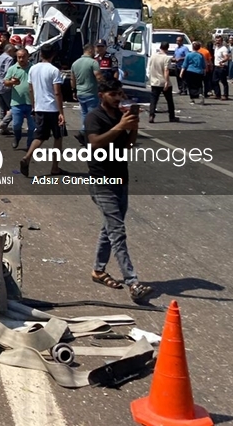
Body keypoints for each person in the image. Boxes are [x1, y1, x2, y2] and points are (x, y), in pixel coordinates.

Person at [85, 79, 151, 303]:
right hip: (102, 180)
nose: (118, 98)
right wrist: (120, 126)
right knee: (117, 231)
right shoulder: (94, 117)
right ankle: (133, 282)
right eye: (113, 94)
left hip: (121, 178)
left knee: (110, 228)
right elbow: (95, 143)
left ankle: (98, 270)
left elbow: (128, 145)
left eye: (120, 94)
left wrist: (133, 126)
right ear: (101, 95)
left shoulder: (119, 116)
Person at [20, 45, 65, 177]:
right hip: (52, 108)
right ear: (53, 55)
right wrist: (61, 112)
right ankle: (55, 167)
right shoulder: (54, 70)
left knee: (40, 136)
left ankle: (27, 156)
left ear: (41, 54)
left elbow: (30, 89)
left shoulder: (33, 69)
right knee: (58, 137)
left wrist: (34, 106)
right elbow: (57, 92)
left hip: (39, 107)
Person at [3, 47, 35, 150]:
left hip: (32, 103)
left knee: (32, 127)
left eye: (23, 57)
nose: (21, 59)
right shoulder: (13, 68)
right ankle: (17, 137)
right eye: (19, 57)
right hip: (17, 102)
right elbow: (5, 82)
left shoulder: (33, 68)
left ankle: (30, 145)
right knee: (16, 125)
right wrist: (11, 82)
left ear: (28, 56)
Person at [71, 44, 101, 142]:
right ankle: (85, 133)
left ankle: (84, 133)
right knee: (92, 115)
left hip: (80, 92)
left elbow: (72, 79)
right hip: (91, 92)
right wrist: (104, 87)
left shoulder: (75, 63)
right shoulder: (93, 63)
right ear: (90, 50)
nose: (95, 53)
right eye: (94, 51)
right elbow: (98, 77)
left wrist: (73, 90)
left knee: (84, 114)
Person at [147, 41, 177, 123]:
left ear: (160, 47)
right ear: (167, 48)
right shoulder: (166, 58)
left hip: (154, 81)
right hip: (163, 81)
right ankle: (172, 117)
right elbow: (166, 70)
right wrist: (166, 81)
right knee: (169, 100)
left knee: (153, 99)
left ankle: (151, 115)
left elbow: (150, 67)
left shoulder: (153, 56)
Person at [212, 35, 230, 100]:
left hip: (222, 67)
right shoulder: (216, 48)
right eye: (216, 40)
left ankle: (225, 95)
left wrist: (222, 61)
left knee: (223, 81)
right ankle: (217, 94)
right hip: (216, 66)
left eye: (219, 41)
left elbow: (227, 57)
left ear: (222, 41)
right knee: (214, 81)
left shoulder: (224, 49)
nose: (217, 42)